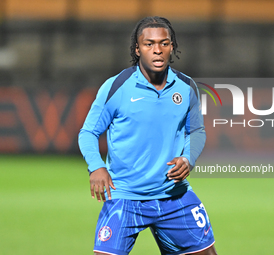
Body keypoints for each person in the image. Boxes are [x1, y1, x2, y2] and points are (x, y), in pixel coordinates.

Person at [78, 16, 217, 255]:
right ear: (137, 49)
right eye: (149, 44)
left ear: (172, 46)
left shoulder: (186, 87)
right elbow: (88, 132)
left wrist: (188, 158)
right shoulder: (116, 87)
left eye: (164, 43)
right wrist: (96, 167)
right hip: (125, 198)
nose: (157, 50)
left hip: (174, 196)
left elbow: (196, 131)